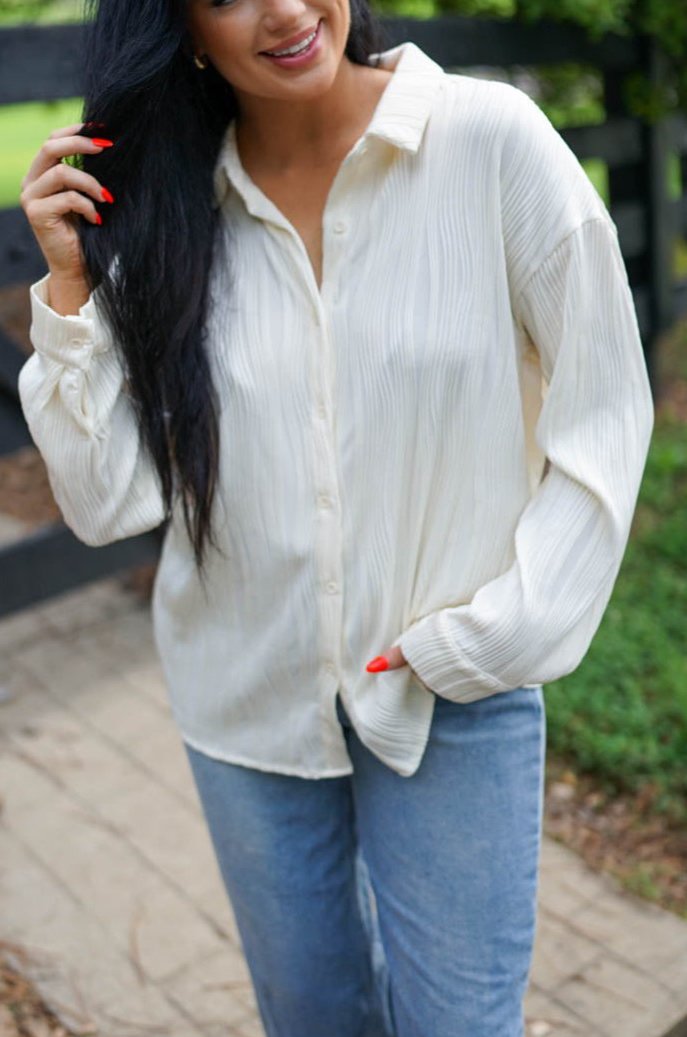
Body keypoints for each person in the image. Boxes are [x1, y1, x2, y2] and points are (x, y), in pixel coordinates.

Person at [17, 0, 654, 1031]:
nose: (281, 10)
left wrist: (497, 634)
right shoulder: (170, 207)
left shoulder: (489, 142)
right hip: (243, 693)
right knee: (311, 1017)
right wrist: (69, 287)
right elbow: (109, 502)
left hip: (450, 691)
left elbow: (606, 412)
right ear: (182, 29)